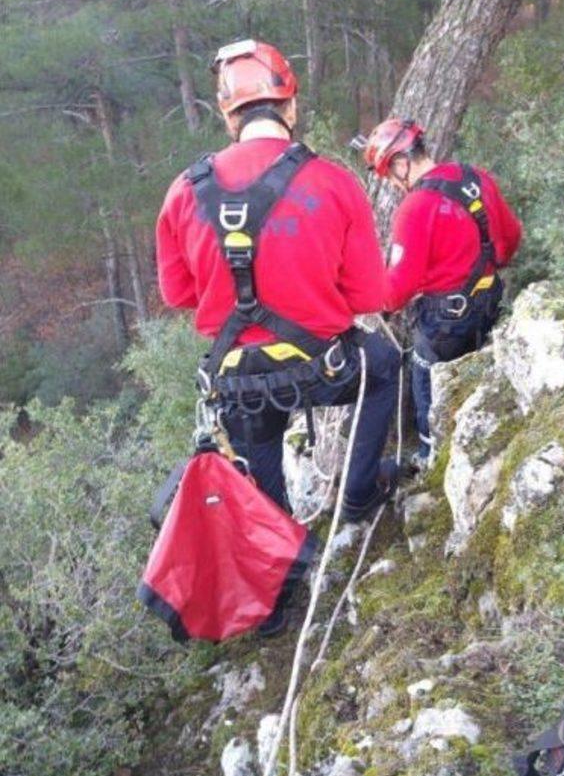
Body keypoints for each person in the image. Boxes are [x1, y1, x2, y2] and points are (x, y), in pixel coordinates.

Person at [156, 39, 400, 528]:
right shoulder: (333, 180)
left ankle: (283, 554)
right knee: (386, 362)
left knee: (268, 505)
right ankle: (357, 495)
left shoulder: (185, 191)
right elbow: (371, 296)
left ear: (229, 118)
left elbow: (179, 295)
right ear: (291, 105)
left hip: (238, 380)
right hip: (324, 368)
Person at [363, 117, 522, 469]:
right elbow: (510, 238)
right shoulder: (475, 177)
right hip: (488, 301)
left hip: (445, 323)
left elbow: (397, 289)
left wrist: (375, 298)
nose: (391, 183)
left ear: (402, 161)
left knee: (424, 374)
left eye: (390, 173)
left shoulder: (416, 207)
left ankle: (430, 457)